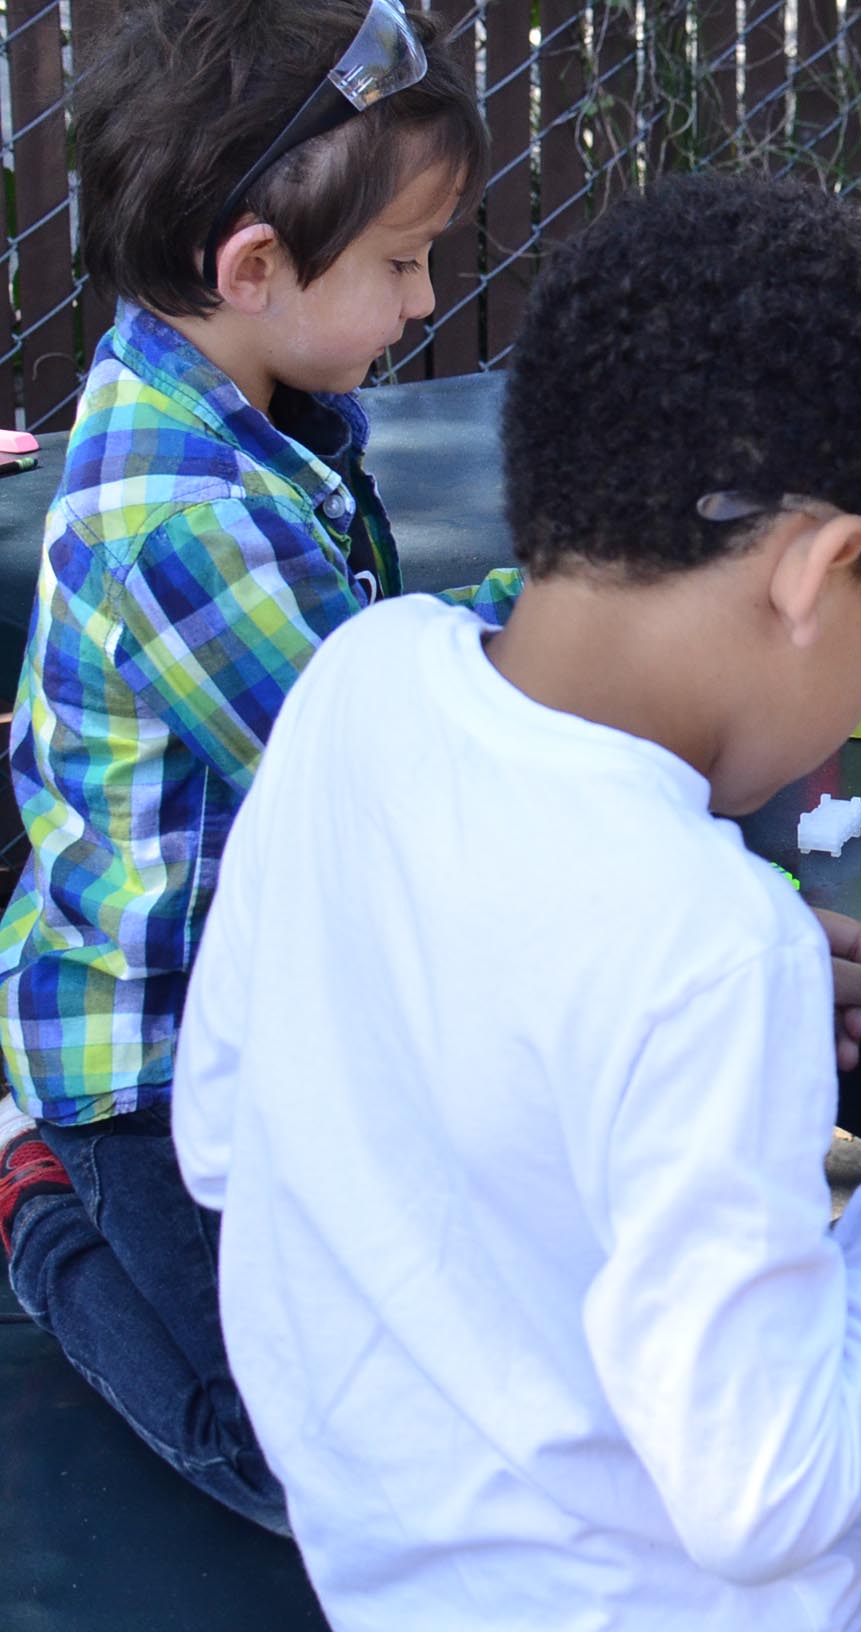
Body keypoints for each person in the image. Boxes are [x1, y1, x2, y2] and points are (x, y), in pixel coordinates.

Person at [169, 172, 861, 1632]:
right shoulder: (702, 945)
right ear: (813, 574)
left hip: (392, 1581)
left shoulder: (364, 679)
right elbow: (769, 1496)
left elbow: (226, 1134)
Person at [0, 0, 510, 1532]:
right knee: (324, 1480)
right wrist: (580, 630)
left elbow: (373, 652)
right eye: (406, 260)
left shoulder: (249, 407)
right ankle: (29, 1205)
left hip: (274, 1020)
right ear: (252, 270)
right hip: (145, 1069)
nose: (427, 295)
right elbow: (389, 763)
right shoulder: (182, 516)